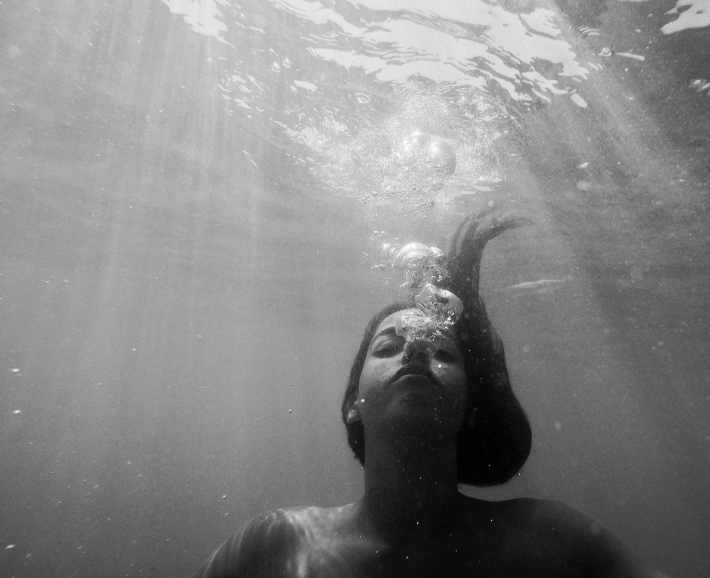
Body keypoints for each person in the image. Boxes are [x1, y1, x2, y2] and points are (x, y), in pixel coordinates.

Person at [192, 207, 655, 578]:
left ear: (470, 407)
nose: (414, 350)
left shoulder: (557, 540)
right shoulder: (269, 547)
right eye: (387, 348)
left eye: (443, 354)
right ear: (353, 405)